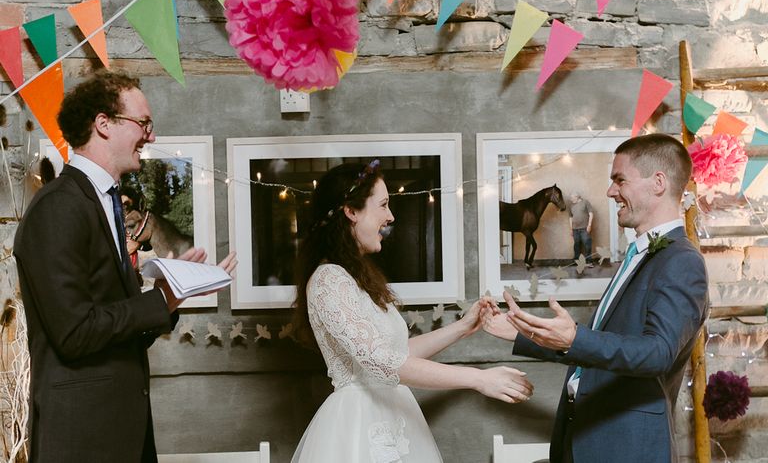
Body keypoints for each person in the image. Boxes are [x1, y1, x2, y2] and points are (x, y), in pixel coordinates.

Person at [13, 70, 237, 463]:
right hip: (82, 440)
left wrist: (172, 295)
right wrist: (159, 299)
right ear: (103, 124)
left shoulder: (106, 203)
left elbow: (115, 334)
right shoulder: (59, 206)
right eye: (143, 123)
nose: (151, 137)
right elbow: (74, 333)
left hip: (119, 435)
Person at [483, 133, 708, 463]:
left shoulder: (681, 261)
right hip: (584, 439)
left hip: (625, 448)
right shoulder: (640, 254)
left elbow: (657, 353)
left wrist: (575, 337)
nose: (610, 191)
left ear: (658, 182)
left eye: (620, 180)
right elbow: (598, 349)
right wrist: (520, 333)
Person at [292, 160, 533, 462]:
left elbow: (397, 352)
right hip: (360, 427)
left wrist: (462, 327)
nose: (390, 216)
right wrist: (479, 378)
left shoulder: (355, 278)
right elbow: (383, 362)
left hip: (392, 417)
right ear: (351, 212)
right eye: (382, 205)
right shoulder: (329, 280)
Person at [568, 192, 593, 262]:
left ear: (577, 197)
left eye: (572, 198)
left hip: (585, 228)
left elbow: (591, 214)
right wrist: (571, 229)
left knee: (587, 244)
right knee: (576, 245)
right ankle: (576, 260)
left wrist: (589, 225)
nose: (571, 200)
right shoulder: (571, 206)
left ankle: (589, 261)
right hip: (575, 229)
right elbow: (570, 217)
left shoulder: (585, 202)